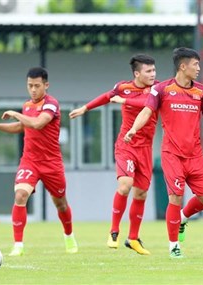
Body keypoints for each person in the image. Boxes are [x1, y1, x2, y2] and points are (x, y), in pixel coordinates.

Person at [124, 47, 203, 258]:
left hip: (194, 155)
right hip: (172, 154)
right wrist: (133, 129)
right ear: (183, 66)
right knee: (175, 197)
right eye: (195, 65)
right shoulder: (161, 89)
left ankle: (184, 218)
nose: (198, 69)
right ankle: (174, 245)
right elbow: (147, 111)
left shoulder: (202, 91)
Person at [69, 54, 157, 255]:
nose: (153, 74)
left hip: (145, 149)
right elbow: (107, 96)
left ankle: (133, 238)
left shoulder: (156, 89)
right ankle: (114, 231)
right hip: (126, 145)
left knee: (141, 193)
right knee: (125, 185)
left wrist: (124, 100)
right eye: (148, 71)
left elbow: (147, 103)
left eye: (154, 70)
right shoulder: (123, 87)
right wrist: (85, 108)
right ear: (137, 73)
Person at [0, 67, 78, 256]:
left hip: (51, 163)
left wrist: (15, 113)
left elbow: (37, 123)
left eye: (37, 86)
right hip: (30, 161)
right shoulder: (27, 105)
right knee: (20, 195)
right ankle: (18, 245)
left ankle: (69, 235)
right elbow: (22, 126)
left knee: (60, 203)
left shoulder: (51, 104)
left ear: (46, 85)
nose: (33, 90)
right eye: (30, 86)